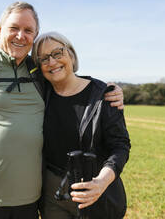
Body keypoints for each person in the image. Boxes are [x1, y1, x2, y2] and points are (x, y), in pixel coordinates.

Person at [0, 2, 124, 219]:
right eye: (14, 28)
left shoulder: (38, 72)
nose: (21, 36)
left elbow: (68, 81)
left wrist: (109, 89)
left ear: (35, 35)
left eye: (28, 31)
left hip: (29, 201)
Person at [31, 31, 131, 219]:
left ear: (71, 54)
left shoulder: (103, 95)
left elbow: (120, 146)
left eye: (57, 53)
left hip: (97, 192)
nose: (52, 62)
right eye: (44, 58)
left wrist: (102, 181)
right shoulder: (40, 95)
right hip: (54, 197)